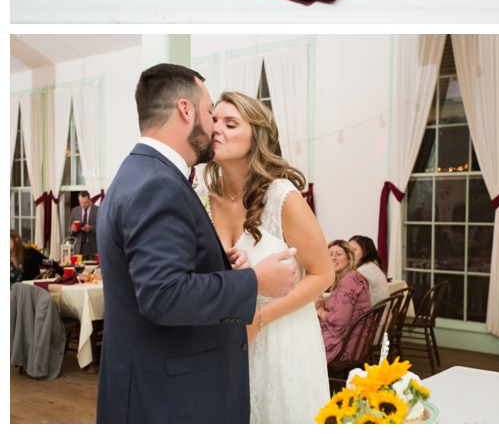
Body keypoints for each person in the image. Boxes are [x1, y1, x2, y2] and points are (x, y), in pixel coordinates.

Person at [96, 63, 298, 424]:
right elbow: (164, 294)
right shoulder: (158, 184)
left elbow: (162, 273)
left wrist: (219, 265)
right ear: (185, 111)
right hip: (172, 397)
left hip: (152, 384)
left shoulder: (139, 173)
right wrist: (256, 281)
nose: (214, 126)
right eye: (209, 113)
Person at [198, 91, 333, 424]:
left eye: (230, 124)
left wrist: (259, 319)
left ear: (256, 138)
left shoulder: (282, 197)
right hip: (224, 339)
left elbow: (323, 274)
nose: (217, 129)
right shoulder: (202, 199)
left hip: (281, 338)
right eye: (215, 120)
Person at [317, 239, 372, 362]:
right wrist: (325, 306)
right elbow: (345, 310)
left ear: (349, 258)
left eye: (338, 254)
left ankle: (310, 379)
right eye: (330, 254)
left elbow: (339, 321)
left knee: (299, 342)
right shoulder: (350, 276)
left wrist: (320, 311)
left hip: (349, 344)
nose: (333, 258)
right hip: (353, 336)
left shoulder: (350, 280)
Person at [348, 235, 389, 306]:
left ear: (365, 252)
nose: (349, 254)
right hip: (381, 314)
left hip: (372, 315)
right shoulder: (372, 266)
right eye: (347, 250)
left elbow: (352, 303)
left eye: (354, 250)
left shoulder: (363, 272)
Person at [70, 192, 99, 258]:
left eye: (85, 203)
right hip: (80, 246)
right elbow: (69, 228)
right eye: (81, 203)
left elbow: (102, 228)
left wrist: (91, 228)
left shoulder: (97, 210)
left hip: (93, 245)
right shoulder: (75, 211)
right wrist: (72, 229)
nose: (83, 205)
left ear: (90, 199)